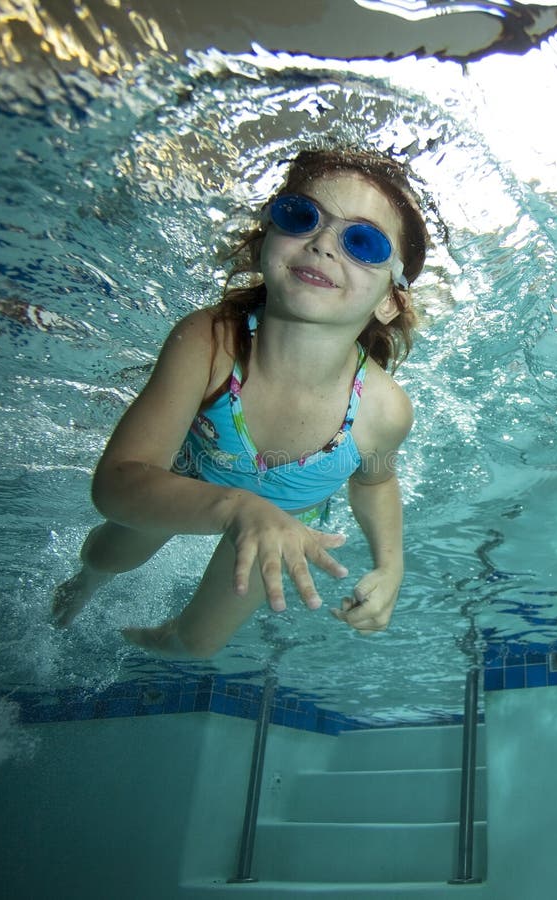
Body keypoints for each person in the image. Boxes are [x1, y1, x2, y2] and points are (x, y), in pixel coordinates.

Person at [52, 147, 429, 658]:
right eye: (302, 216)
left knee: (196, 644)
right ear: (264, 242)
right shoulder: (210, 343)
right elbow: (117, 483)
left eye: (363, 242)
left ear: (390, 298)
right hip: (191, 484)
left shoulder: (384, 410)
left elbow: (377, 479)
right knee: (112, 554)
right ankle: (84, 585)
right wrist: (235, 508)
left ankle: (137, 642)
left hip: (286, 521)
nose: (322, 244)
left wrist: (391, 564)